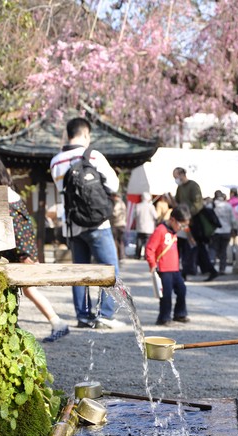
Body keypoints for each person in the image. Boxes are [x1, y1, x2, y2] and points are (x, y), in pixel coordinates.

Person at [0, 154, 69, 343]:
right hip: (23, 251)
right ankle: (18, 326)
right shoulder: (11, 191)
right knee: (21, 290)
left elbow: (18, 229)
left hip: (21, 253)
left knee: (29, 290)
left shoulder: (1, 197)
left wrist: (25, 255)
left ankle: (58, 323)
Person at [50, 117, 124, 329]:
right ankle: (105, 315)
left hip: (72, 226)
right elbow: (114, 184)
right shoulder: (93, 155)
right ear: (85, 134)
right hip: (97, 224)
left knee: (79, 272)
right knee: (110, 269)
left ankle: (83, 315)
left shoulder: (56, 161)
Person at [168, 167, 218, 281]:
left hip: (194, 222)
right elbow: (178, 202)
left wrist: (186, 214)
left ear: (182, 174)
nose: (176, 179)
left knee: (193, 246)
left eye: (176, 176)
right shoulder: (179, 188)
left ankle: (190, 271)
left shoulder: (193, 186)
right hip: (185, 222)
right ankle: (192, 270)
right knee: (192, 246)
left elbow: (198, 204)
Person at [145, 204, 191, 326]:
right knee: (166, 294)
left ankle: (180, 313)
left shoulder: (173, 232)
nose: (182, 228)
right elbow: (150, 248)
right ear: (172, 220)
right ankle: (164, 317)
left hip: (175, 268)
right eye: (181, 225)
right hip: (164, 268)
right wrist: (152, 264)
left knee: (182, 289)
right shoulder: (160, 230)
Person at [210, 190, 237, 274]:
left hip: (215, 231)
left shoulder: (212, 206)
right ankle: (222, 269)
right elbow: (233, 219)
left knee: (213, 249)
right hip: (226, 231)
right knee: (223, 250)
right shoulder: (228, 206)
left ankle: (211, 267)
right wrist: (234, 228)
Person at [134, 192, 157, 259]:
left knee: (139, 241)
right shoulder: (151, 206)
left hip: (140, 226)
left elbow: (134, 216)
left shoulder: (138, 206)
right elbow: (155, 216)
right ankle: (146, 255)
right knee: (148, 242)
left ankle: (137, 255)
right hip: (149, 228)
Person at [110, 193, 127, 261]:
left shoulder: (117, 203)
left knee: (115, 241)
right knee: (120, 241)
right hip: (122, 224)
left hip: (116, 224)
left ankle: (116, 255)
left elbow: (115, 213)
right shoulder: (123, 203)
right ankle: (121, 255)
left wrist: (109, 217)